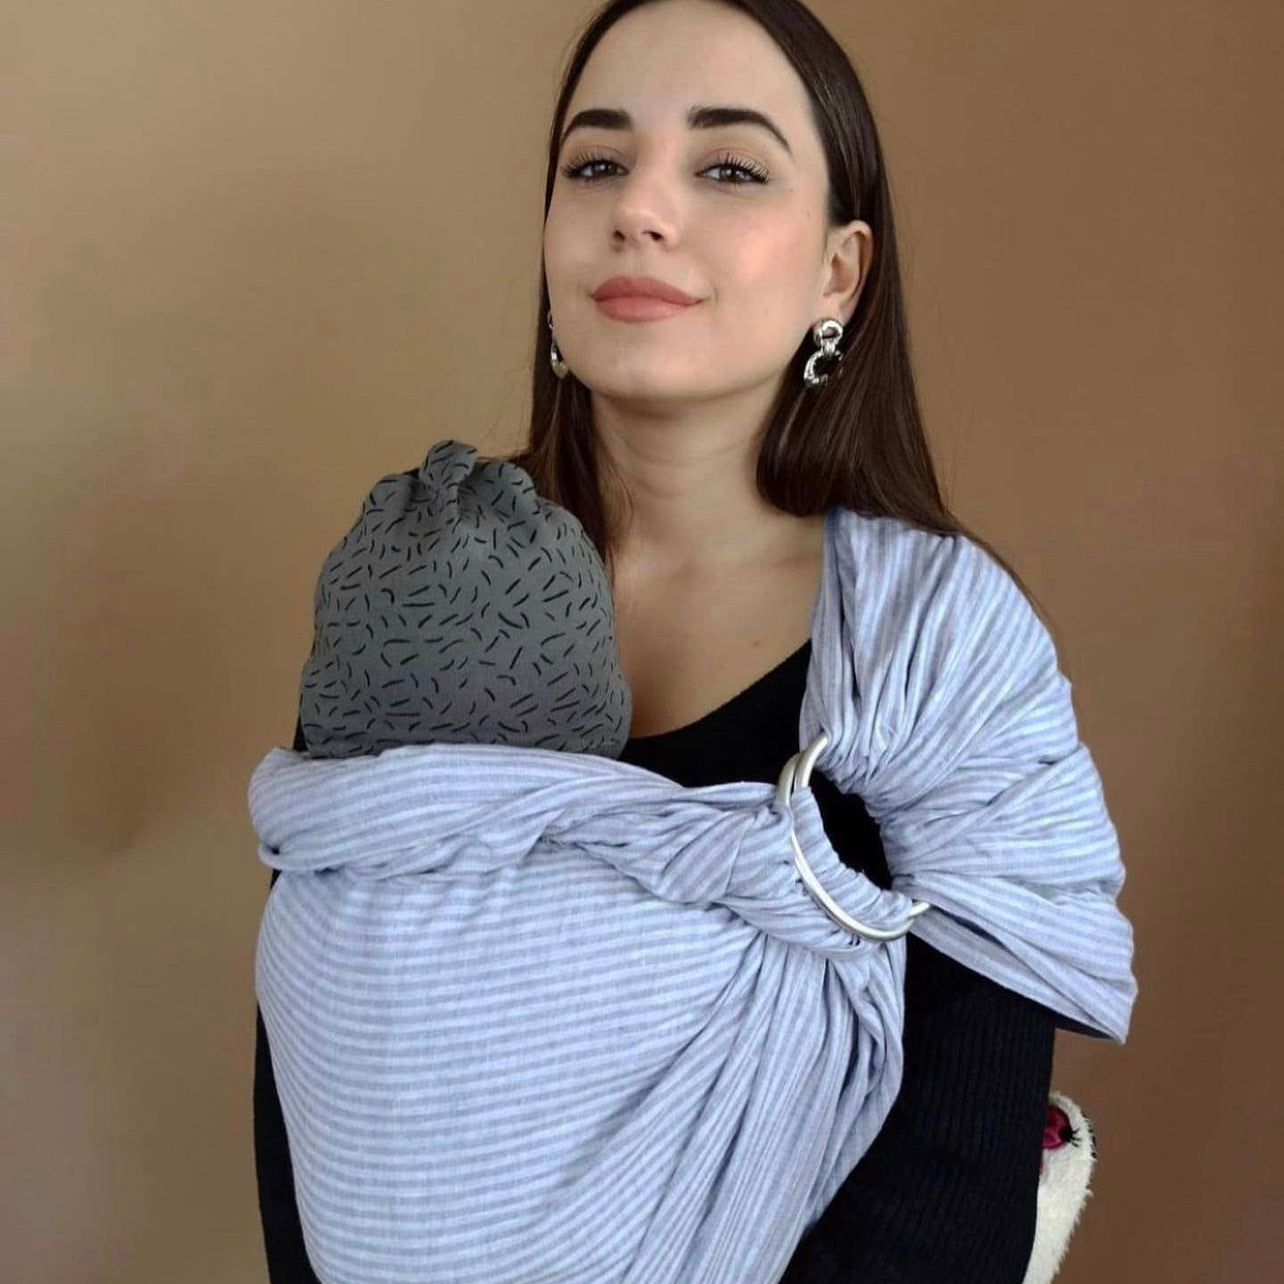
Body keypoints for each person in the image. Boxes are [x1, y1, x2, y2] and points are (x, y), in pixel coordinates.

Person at [254, 1, 1077, 1278]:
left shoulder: (937, 650)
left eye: (728, 167)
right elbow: (324, 1072)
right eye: (596, 163)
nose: (638, 208)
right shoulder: (426, 584)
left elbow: (952, 1200)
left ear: (839, 273)